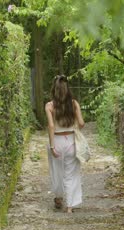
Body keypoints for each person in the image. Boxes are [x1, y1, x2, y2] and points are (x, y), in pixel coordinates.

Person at [45, 75, 85, 213]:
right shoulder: (74, 104)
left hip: (56, 140)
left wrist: (52, 146)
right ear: (67, 89)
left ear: (54, 90)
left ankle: (58, 197)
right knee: (71, 173)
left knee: (57, 172)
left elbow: (51, 126)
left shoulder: (49, 106)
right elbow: (81, 123)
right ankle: (69, 206)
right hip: (71, 141)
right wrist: (73, 126)